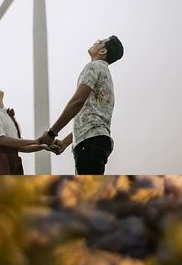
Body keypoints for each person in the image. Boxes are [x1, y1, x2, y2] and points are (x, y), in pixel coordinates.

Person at [38, 36, 124, 175]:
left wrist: (52, 132)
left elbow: (77, 101)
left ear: (102, 51)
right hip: (97, 141)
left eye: (99, 42)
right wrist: (66, 142)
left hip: (90, 145)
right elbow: (90, 119)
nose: (96, 41)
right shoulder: (105, 74)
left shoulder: (93, 66)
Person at [0, 87, 53, 174]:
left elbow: (18, 146)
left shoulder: (7, 114)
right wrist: (36, 141)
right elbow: (1, 139)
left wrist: (42, 146)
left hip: (13, 160)